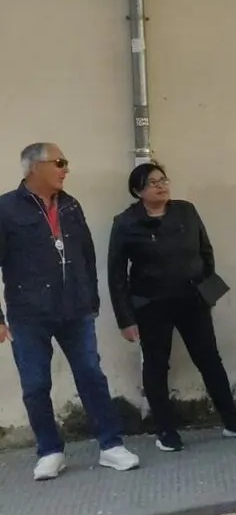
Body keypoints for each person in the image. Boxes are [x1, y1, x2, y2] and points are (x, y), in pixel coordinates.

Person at [0, 142, 140, 481]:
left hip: (75, 309)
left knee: (91, 375)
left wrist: (91, 298)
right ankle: (50, 451)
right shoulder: (6, 208)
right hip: (28, 313)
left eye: (66, 163)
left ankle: (111, 446)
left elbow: (87, 254)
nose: (66, 169)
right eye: (59, 162)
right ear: (33, 168)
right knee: (35, 384)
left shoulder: (71, 205)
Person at [107, 163, 236, 452]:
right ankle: (165, 430)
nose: (161, 186)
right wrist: (125, 319)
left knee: (210, 360)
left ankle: (231, 421)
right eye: (152, 183)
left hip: (191, 300)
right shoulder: (126, 223)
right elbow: (116, 275)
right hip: (151, 305)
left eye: (163, 180)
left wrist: (205, 290)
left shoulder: (185, 211)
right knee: (156, 366)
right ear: (138, 191)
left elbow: (205, 251)